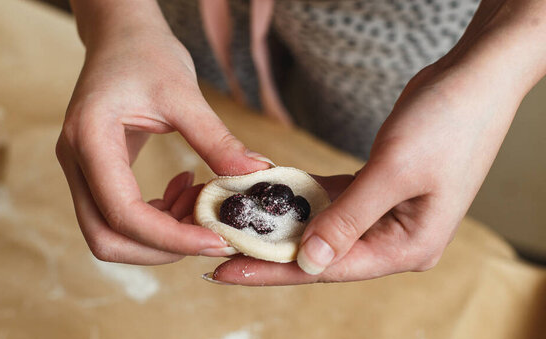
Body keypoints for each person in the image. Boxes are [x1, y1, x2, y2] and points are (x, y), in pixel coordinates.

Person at [56, 0, 546, 286]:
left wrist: (500, 62)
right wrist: (119, 21)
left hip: (398, 15)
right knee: (205, 104)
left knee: (377, 163)